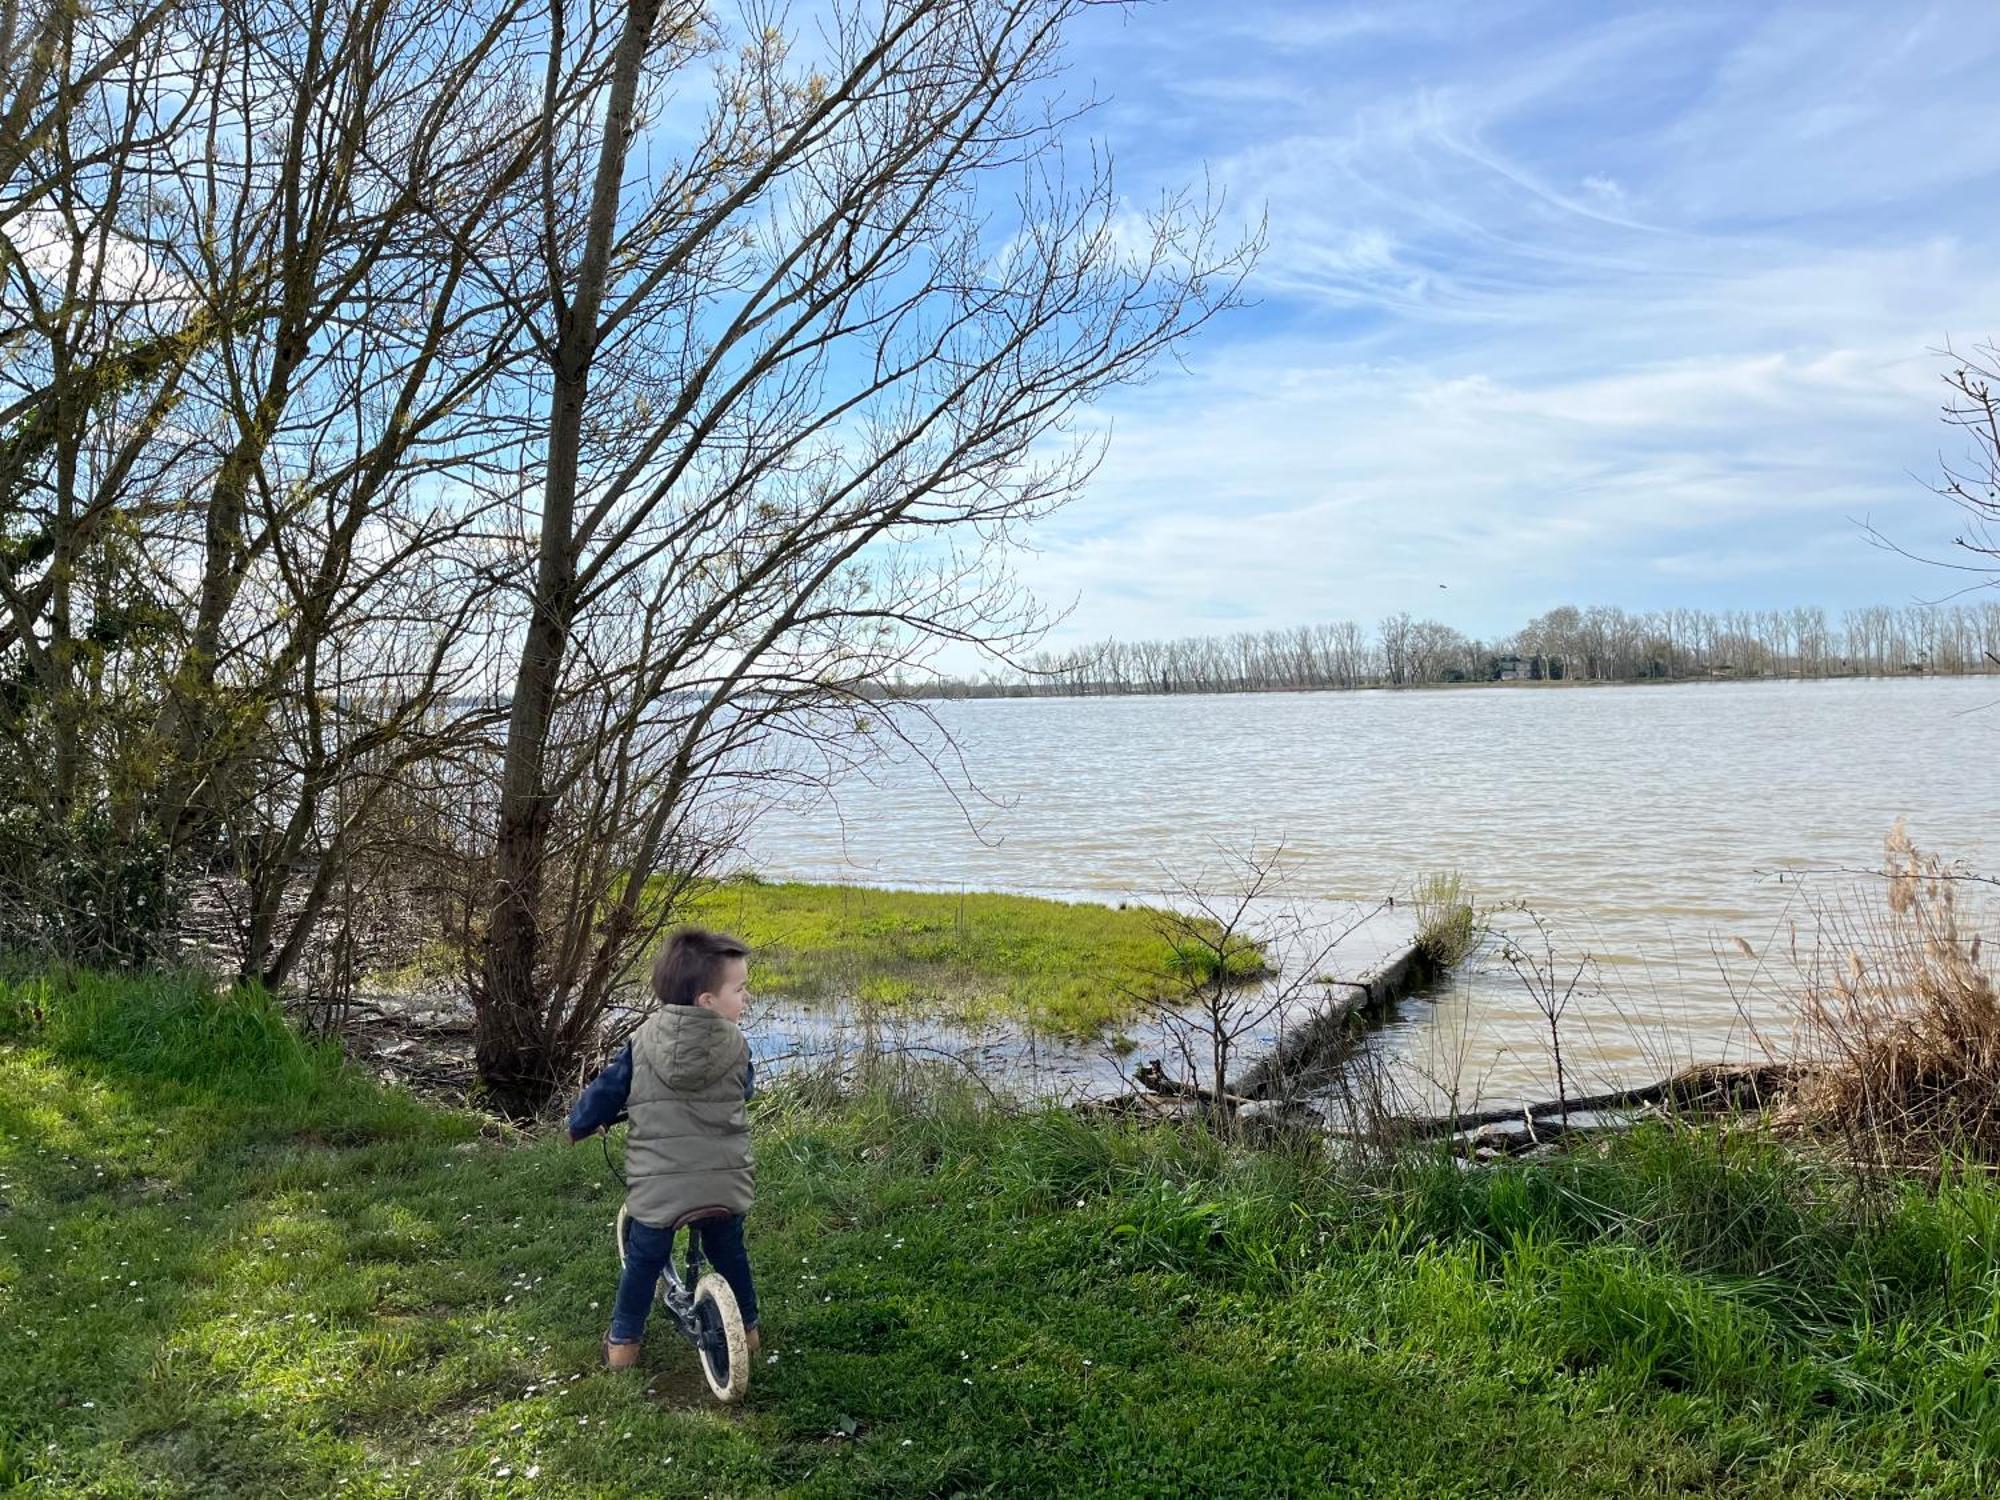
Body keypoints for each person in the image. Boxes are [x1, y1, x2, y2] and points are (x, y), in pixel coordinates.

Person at [568, 926, 760, 1369]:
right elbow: (745, 1090)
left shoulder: (643, 1040)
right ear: (707, 1003)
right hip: (723, 1185)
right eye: (740, 989)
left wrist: (581, 1124)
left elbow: (607, 1091)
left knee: (643, 1261)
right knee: (730, 1252)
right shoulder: (737, 1046)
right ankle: (748, 1332)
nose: (746, 998)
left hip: (660, 1191)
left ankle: (622, 1346)